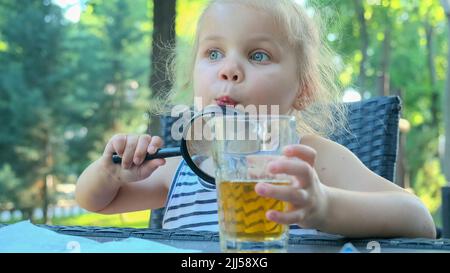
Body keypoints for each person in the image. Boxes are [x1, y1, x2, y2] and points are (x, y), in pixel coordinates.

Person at [75, 0, 436, 238]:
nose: (230, 69)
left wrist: (323, 205)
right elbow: (96, 203)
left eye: (258, 55)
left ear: (303, 89)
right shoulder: (180, 167)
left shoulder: (310, 161)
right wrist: (110, 172)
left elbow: (420, 221)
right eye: (214, 53)